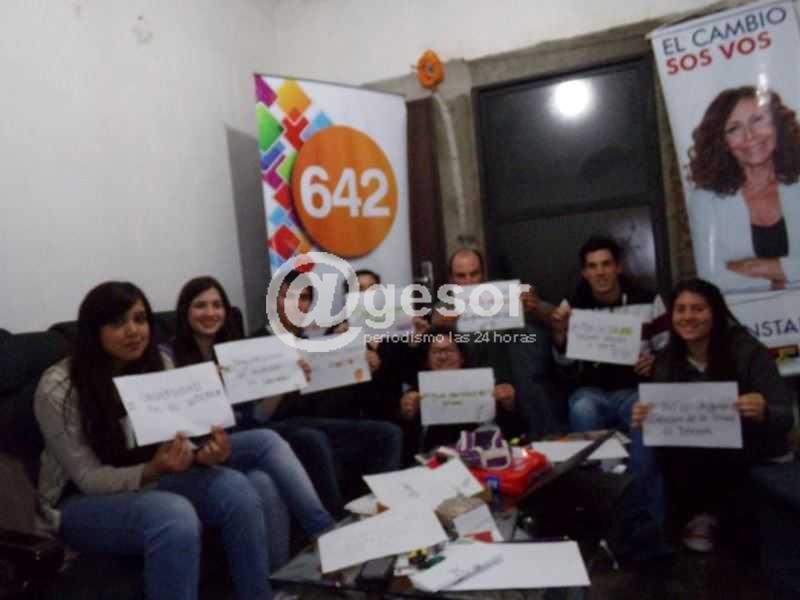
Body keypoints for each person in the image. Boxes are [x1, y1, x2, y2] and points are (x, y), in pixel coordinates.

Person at [34, 281, 333, 600]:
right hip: (80, 500)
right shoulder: (59, 388)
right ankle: (324, 535)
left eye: (139, 319)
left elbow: (181, 438)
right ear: (93, 330)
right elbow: (88, 478)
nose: (133, 331)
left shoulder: (159, 364)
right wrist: (153, 469)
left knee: (243, 484)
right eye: (118, 323)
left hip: (152, 477)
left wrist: (203, 454)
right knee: (173, 515)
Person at [632, 279, 794, 552]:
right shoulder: (667, 360)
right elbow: (666, 423)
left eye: (698, 309)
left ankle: (723, 517)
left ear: (716, 313)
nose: (688, 317)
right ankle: (689, 518)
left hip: (753, 451)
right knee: (654, 449)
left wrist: (763, 411)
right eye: (680, 309)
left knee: (749, 540)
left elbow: (785, 417)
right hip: (700, 457)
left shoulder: (748, 352)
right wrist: (646, 417)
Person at [169, 275, 345, 518]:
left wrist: (287, 381)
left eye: (217, 305)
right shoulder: (169, 355)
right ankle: (324, 524)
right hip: (197, 448)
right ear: (184, 311)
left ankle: (307, 538)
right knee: (268, 439)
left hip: (234, 440)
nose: (210, 313)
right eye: (200, 305)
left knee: (263, 482)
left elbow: (256, 416)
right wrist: (206, 385)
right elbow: (174, 418)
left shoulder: (235, 352)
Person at [250, 270, 403, 503]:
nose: (296, 304)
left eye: (304, 298)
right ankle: (334, 519)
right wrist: (286, 379)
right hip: (277, 428)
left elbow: (330, 402)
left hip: (315, 421)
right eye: (288, 297)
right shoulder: (254, 345)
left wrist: (358, 365)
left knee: (388, 433)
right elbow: (255, 415)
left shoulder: (313, 344)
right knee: (313, 439)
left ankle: (383, 506)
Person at [687, 86, 800, 292]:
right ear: (722, 141)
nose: (750, 136)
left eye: (758, 120)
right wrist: (777, 281)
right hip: (743, 312)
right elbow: (710, 277)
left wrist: (754, 267)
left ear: (777, 125)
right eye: (734, 129)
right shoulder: (706, 199)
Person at [551, 236, 666, 433]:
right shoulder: (571, 307)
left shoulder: (649, 300)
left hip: (636, 389)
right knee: (583, 408)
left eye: (606, 264)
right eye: (592, 266)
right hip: (590, 391)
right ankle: (594, 456)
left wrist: (655, 362)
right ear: (585, 273)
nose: (600, 272)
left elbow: (669, 349)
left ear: (618, 267)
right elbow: (565, 369)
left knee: (644, 410)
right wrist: (559, 334)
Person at [398, 328, 519, 451]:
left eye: (449, 350)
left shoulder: (485, 384)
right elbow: (408, 445)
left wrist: (508, 405)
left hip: (483, 452)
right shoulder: (416, 393)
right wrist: (407, 416)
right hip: (435, 456)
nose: (443, 357)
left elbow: (514, 433)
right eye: (435, 352)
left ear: (462, 357)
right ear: (427, 361)